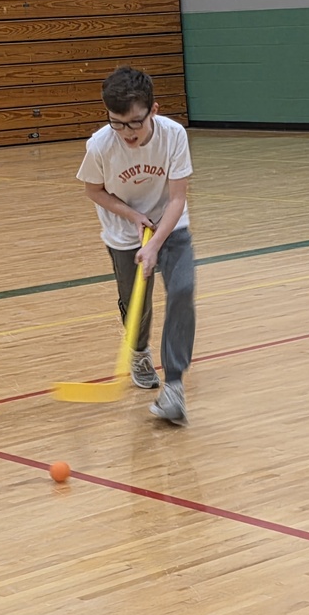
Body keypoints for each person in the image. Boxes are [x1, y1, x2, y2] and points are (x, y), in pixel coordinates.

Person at [77, 66, 195, 426]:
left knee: (182, 289)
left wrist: (155, 243)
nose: (126, 132)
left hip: (170, 224)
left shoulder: (174, 135)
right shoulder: (100, 145)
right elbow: (93, 190)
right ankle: (139, 351)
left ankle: (173, 385)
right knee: (136, 304)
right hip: (123, 232)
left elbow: (177, 199)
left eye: (134, 123)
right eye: (117, 123)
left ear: (153, 111)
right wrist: (130, 215)